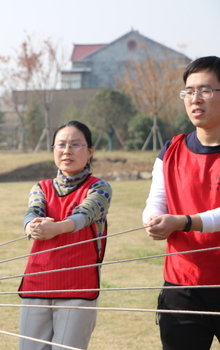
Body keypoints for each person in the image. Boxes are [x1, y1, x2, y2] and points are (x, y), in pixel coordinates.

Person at [143, 56, 220, 350]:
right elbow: (156, 201)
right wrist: (152, 220)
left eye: (205, 90)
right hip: (182, 287)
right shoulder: (171, 150)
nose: (195, 99)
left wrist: (184, 222)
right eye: (189, 91)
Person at [18, 120, 112, 350]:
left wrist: (57, 227)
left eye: (75, 144)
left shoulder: (99, 188)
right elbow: (32, 213)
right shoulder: (41, 187)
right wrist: (32, 226)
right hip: (37, 283)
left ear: (90, 151)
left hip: (78, 286)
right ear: (53, 150)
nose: (67, 150)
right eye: (60, 145)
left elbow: (84, 215)